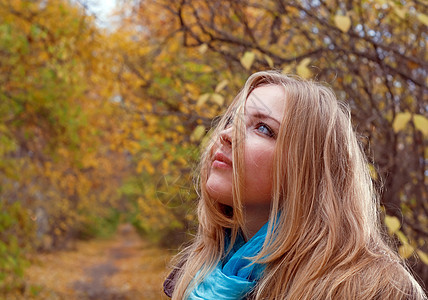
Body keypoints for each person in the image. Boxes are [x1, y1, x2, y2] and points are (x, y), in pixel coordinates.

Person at [163, 71, 427, 299]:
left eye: (263, 128)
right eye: (232, 120)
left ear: (310, 168)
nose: (226, 134)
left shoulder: (375, 289)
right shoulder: (197, 272)